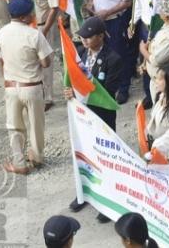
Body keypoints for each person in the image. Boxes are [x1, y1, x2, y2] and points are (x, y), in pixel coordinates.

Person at [67, 16, 124, 220]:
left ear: (101, 36)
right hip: (82, 117)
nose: (84, 41)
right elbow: (73, 78)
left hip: (101, 116)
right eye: (82, 37)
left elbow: (108, 91)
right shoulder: (80, 55)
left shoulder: (113, 59)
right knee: (83, 155)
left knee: (104, 158)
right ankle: (84, 194)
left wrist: (84, 90)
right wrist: (71, 91)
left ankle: (107, 200)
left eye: (88, 37)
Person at [0, 0, 52, 175]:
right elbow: (46, 63)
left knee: (14, 126)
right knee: (36, 125)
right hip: (32, 86)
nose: (33, 15)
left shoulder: (1, 33)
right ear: (24, 17)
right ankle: (36, 158)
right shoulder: (34, 34)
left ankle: (19, 162)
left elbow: (0, 61)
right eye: (31, 13)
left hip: (11, 86)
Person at [87, 0, 135, 103]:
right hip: (99, 19)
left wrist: (108, 11)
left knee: (119, 54)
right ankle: (105, 86)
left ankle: (123, 88)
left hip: (115, 20)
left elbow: (127, 1)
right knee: (101, 52)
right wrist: (91, 1)